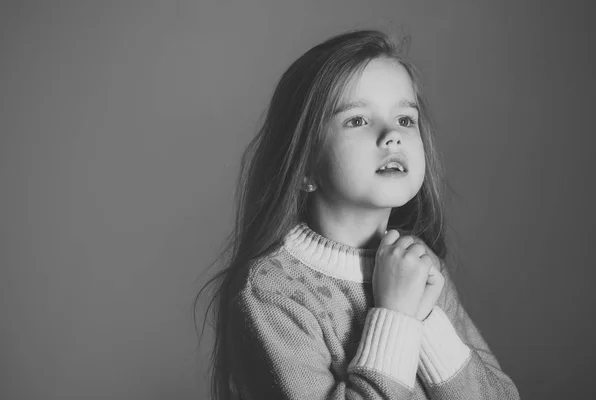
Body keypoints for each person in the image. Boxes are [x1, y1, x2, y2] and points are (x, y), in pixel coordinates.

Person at [194, 29, 520, 399]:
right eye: (357, 121)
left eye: (405, 120)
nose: (392, 136)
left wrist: (426, 320)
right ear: (304, 168)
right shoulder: (272, 292)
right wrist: (396, 317)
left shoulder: (420, 267)